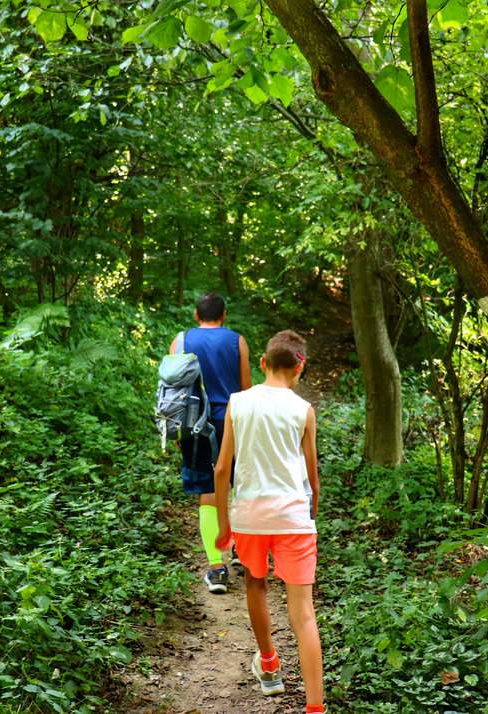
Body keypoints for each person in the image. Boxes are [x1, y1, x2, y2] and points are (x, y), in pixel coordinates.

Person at [213, 330, 324, 714]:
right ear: (300, 367)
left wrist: (224, 524)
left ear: (263, 363)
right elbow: (312, 478)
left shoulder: (238, 402)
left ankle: (270, 665)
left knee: (255, 583)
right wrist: (311, 512)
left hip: (249, 517)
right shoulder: (303, 411)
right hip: (293, 518)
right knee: (304, 615)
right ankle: (315, 707)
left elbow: (222, 468)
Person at [169, 292, 251, 594]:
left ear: (196, 314)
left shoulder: (181, 341)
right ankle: (241, 548)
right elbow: (246, 389)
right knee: (238, 484)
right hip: (231, 420)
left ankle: (217, 568)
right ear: (224, 315)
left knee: (207, 490)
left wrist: (178, 430)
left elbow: (173, 389)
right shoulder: (237, 341)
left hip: (195, 423)